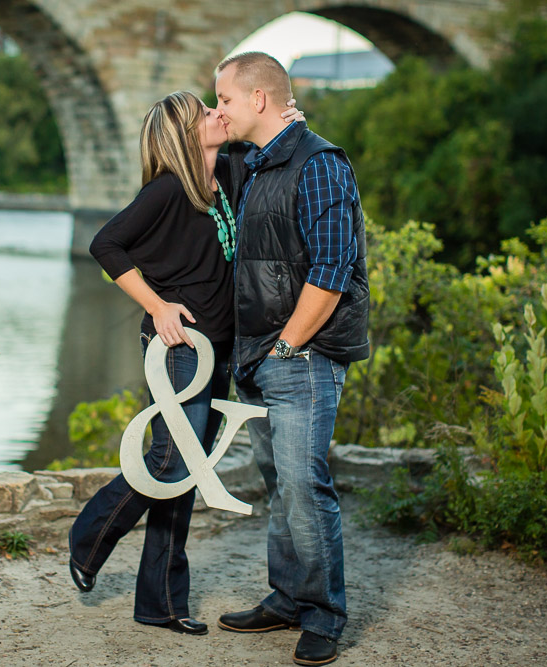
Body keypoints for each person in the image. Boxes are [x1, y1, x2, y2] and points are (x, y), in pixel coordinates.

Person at [67, 90, 302, 635]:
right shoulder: (168, 191)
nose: (219, 115)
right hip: (180, 351)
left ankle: (160, 603)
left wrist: (289, 121)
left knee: (185, 476)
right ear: (185, 133)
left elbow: (268, 144)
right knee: (173, 465)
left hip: (220, 349)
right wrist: (157, 305)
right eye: (207, 113)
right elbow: (106, 244)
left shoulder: (229, 177)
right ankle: (89, 538)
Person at [212, 52, 370, 666]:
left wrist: (289, 344)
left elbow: (331, 271)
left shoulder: (320, 164)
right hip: (261, 353)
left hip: (300, 353)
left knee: (304, 484)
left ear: (257, 100)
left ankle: (325, 616)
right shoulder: (252, 164)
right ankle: (287, 597)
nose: (218, 110)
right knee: (280, 482)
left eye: (224, 99)